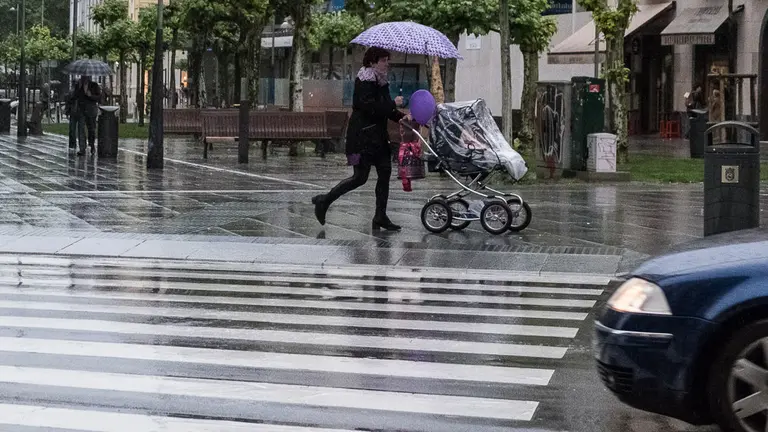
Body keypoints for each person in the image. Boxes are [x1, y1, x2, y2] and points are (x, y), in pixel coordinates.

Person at [311, 47, 412, 231]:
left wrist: (401, 116)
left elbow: (386, 110)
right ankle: (324, 201)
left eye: (387, 60)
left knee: (385, 172)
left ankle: (380, 216)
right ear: (372, 62)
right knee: (359, 177)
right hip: (361, 138)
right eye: (383, 60)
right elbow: (368, 107)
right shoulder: (364, 80)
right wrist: (392, 103)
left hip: (378, 138)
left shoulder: (381, 81)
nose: (387, 64)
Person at [72, 75, 101, 156]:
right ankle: (82, 148)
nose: (84, 78)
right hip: (81, 110)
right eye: (83, 76)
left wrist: (90, 95)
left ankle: (92, 145)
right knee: (81, 128)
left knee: (91, 129)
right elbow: (74, 96)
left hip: (91, 110)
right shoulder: (78, 85)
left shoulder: (94, 85)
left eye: (85, 76)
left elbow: (98, 97)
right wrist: (78, 88)